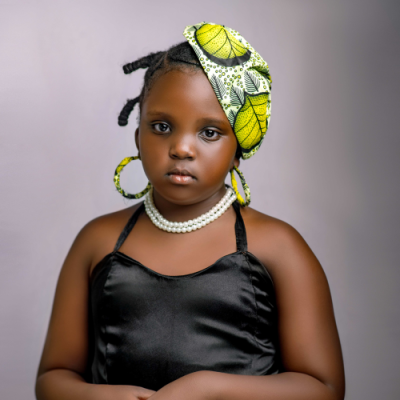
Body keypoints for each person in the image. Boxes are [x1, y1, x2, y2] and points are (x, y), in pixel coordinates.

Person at [35, 22, 345, 400]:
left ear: (238, 150)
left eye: (209, 132)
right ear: (138, 137)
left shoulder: (278, 247)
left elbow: (323, 388)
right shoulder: (97, 241)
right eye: (161, 126)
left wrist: (206, 388)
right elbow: (53, 378)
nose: (181, 148)